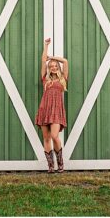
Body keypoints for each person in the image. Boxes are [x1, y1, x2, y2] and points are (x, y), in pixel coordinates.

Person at [35, 38, 68, 173]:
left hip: (57, 110)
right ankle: (50, 166)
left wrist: (52, 58)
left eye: (55, 66)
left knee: (55, 136)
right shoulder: (45, 79)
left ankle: (60, 163)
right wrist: (46, 46)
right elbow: (43, 61)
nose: (53, 67)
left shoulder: (63, 78)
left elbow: (65, 61)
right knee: (46, 138)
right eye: (51, 66)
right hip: (45, 108)